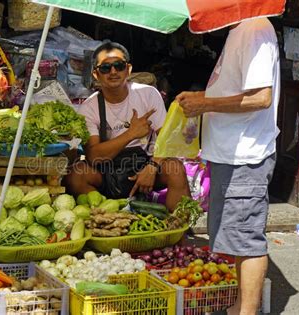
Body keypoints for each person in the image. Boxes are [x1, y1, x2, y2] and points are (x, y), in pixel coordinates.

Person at [175, 18, 280, 314]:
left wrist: (205, 105)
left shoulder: (255, 30)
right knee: (234, 237)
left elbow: (260, 97)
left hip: (245, 156)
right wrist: (201, 98)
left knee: (246, 239)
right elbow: (236, 89)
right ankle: (238, 306)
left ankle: (246, 311)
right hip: (228, 154)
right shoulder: (241, 30)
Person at [64, 41, 190, 211]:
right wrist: (131, 134)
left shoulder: (147, 94)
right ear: (96, 74)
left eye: (119, 65)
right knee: (76, 175)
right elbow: (93, 155)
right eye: (105, 68)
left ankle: (178, 234)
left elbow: (167, 139)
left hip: (145, 163)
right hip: (107, 169)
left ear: (128, 69)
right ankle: (106, 218)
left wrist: (152, 167)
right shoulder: (89, 107)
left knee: (176, 169)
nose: (113, 72)